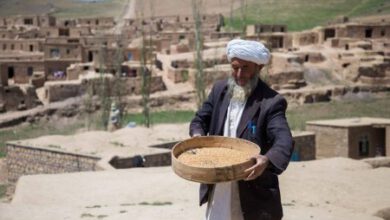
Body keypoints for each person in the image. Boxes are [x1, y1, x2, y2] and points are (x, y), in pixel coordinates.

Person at [189, 39, 293, 220]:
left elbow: (284, 140)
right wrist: (197, 136)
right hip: (219, 182)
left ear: (258, 68)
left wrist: (266, 160)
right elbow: (200, 119)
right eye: (235, 67)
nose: (239, 74)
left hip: (251, 189)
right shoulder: (220, 90)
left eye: (245, 68)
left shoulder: (271, 102)